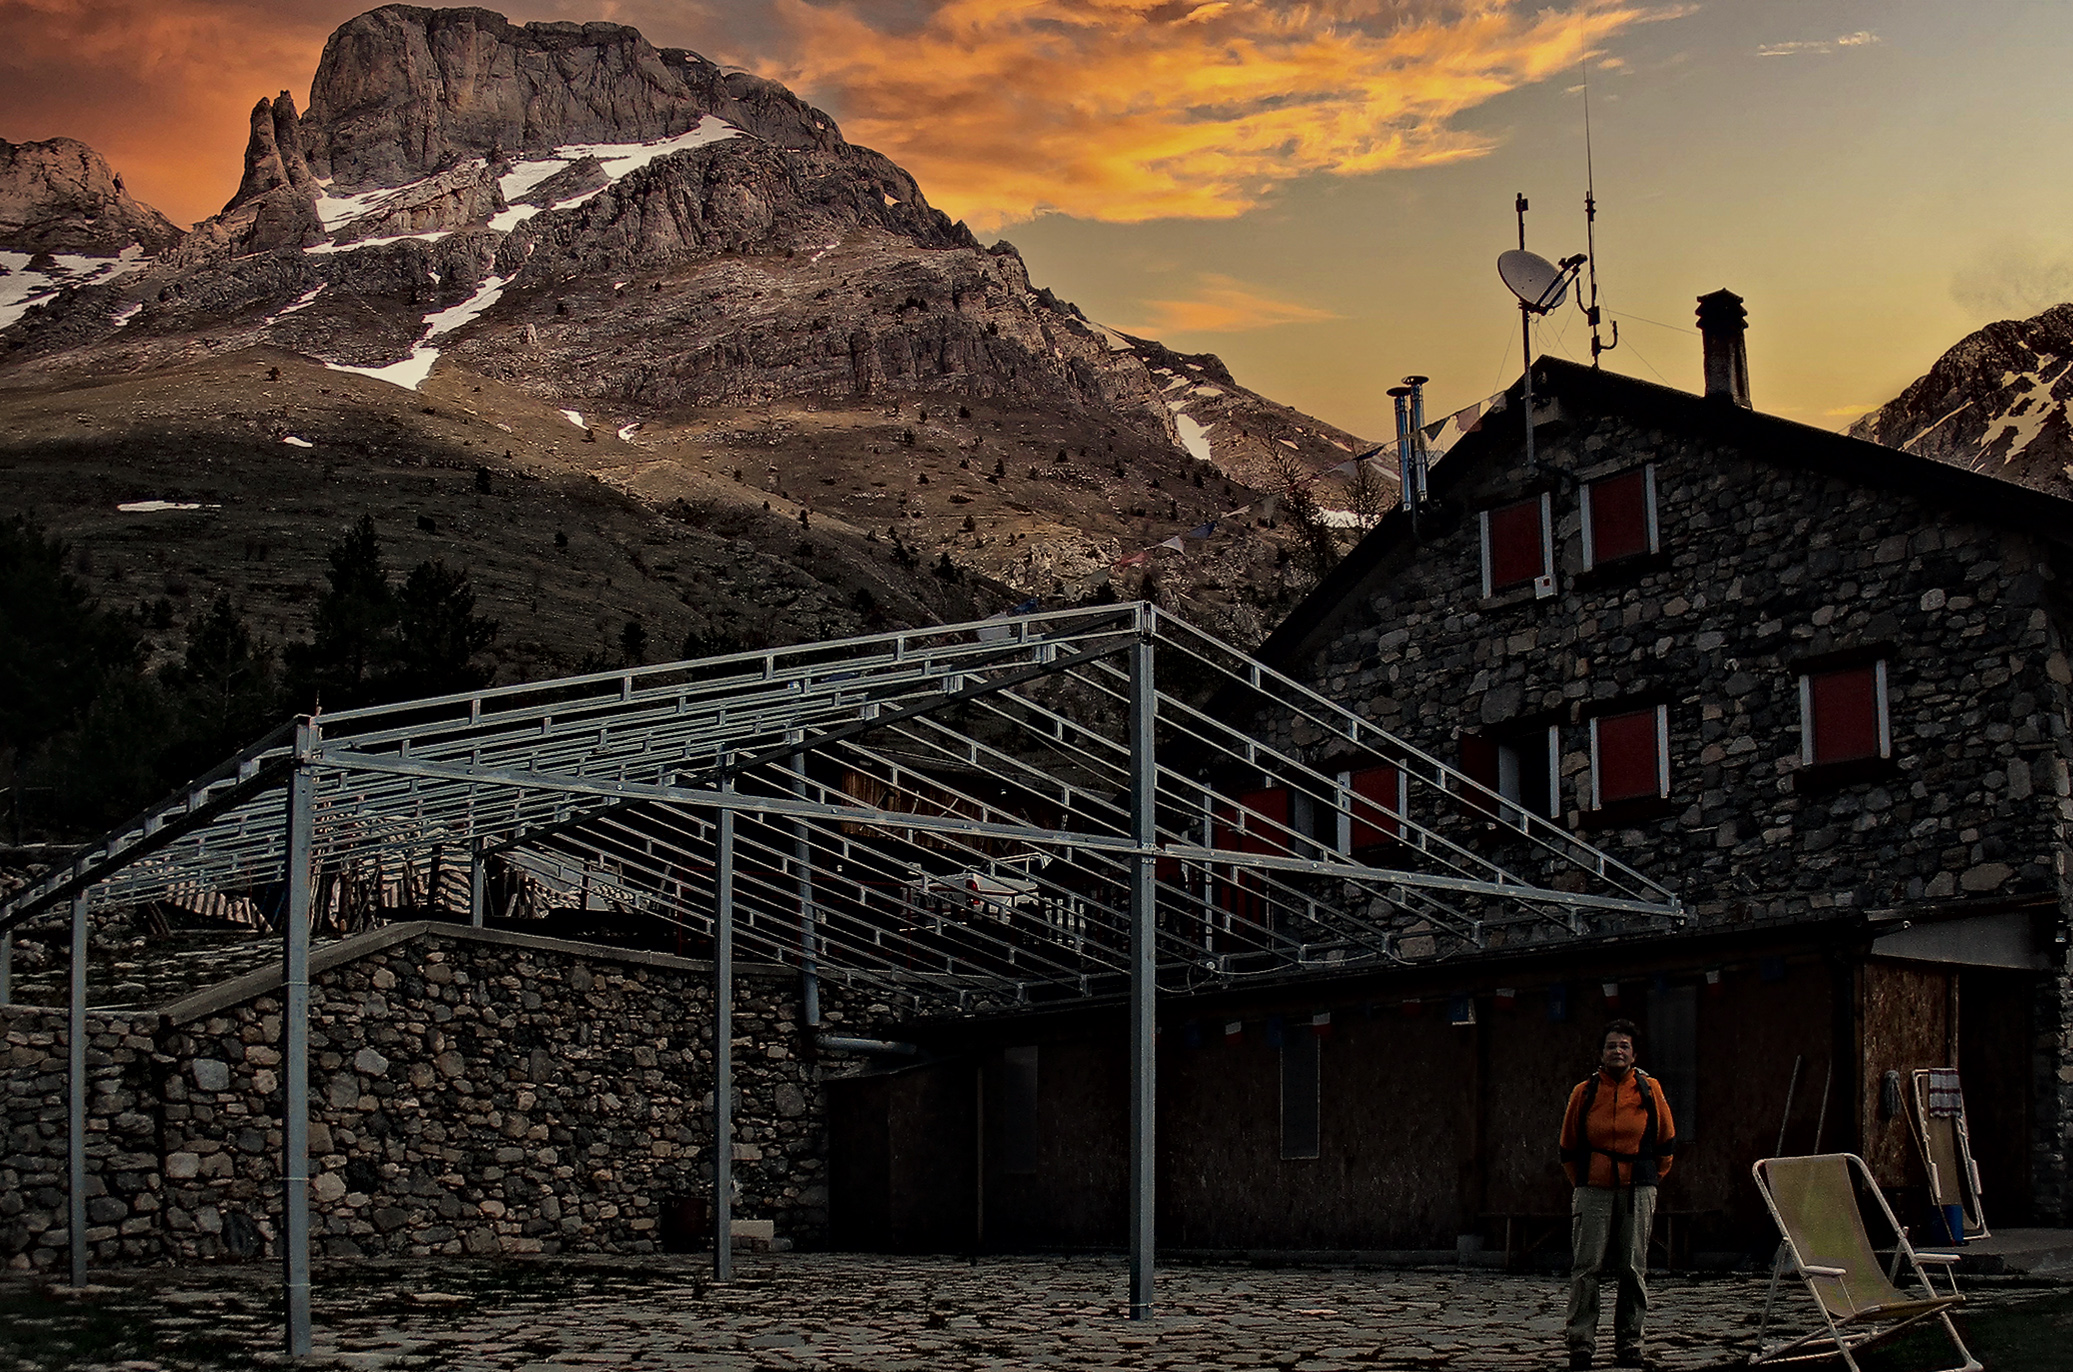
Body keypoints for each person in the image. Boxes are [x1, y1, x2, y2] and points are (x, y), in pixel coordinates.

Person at [1558, 1018, 1676, 1370]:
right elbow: (1568, 1145)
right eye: (1611, 1045)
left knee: (1632, 1267)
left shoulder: (1649, 1089)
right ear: (1601, 1053)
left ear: (1634, 1053)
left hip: (1637, 1187)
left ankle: (1629, 1342)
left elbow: (1665, 1143)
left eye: (1624, 1045)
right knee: (1586, 1266)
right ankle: (1581, 1343)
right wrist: (1584, 1180)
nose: (1617, 1051)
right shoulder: (1584, 1092)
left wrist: (1649, 1178)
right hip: (1592, 1187)